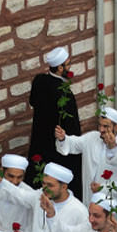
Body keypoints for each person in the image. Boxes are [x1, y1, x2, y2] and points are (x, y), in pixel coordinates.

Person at [27, 46, 82, 192]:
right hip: (56, 145)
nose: (70, 67)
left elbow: (32, 102)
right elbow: (72, 126)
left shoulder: (39, 81)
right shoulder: (64, 94)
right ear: (59, 67)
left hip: (40, 138)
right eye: (68, 64)